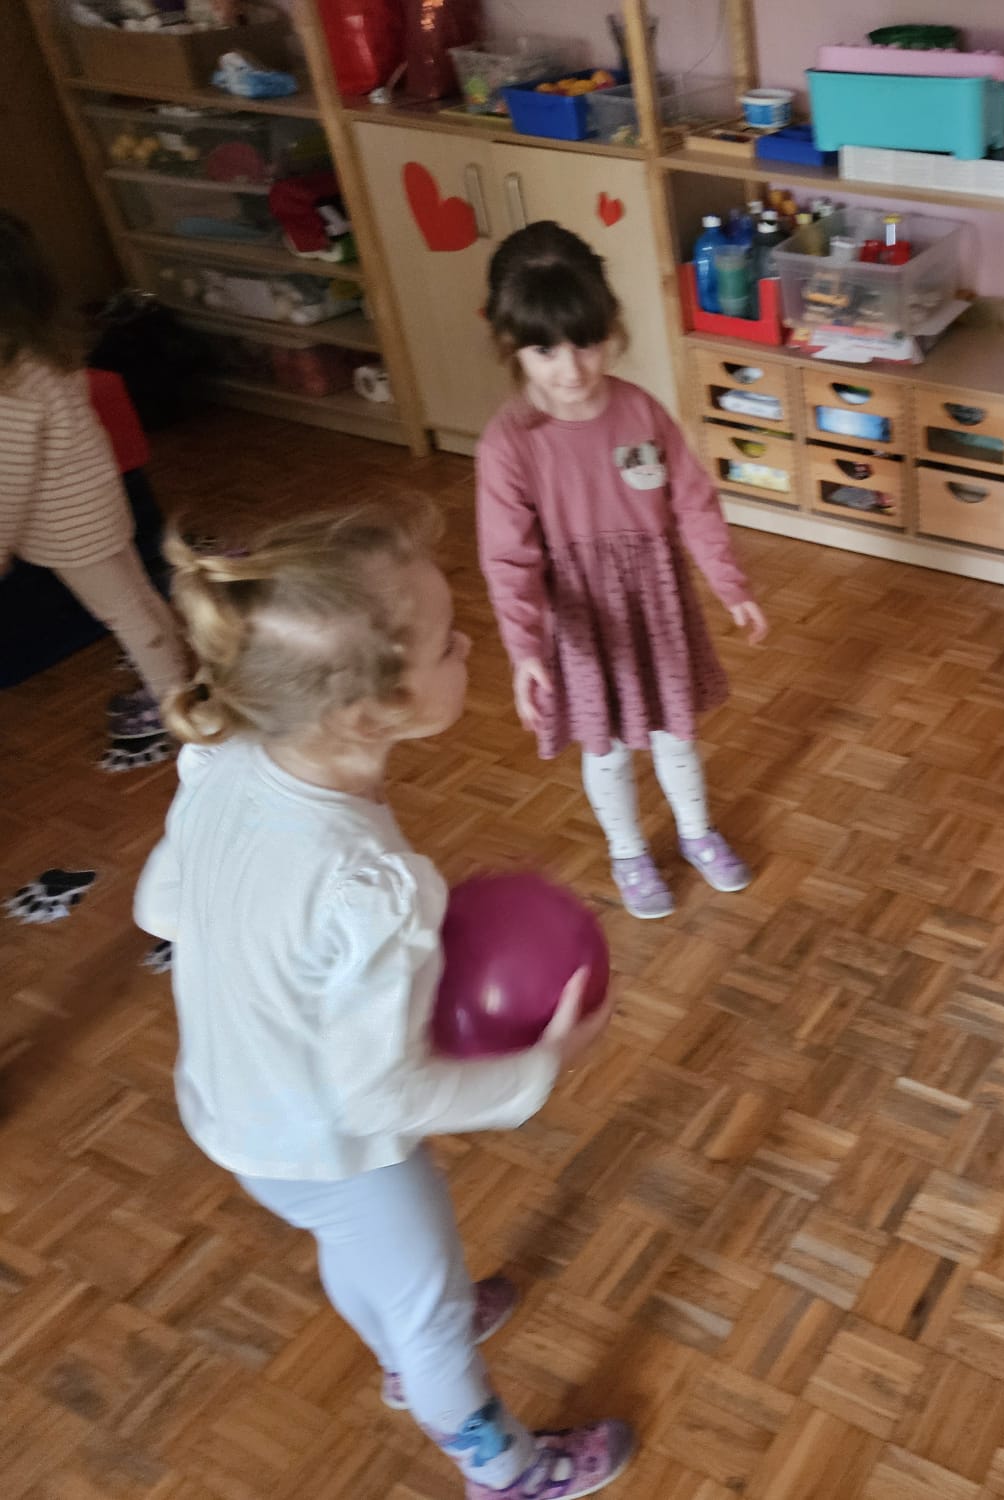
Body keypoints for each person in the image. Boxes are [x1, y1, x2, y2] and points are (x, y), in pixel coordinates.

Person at [134, 504, 631, 1499]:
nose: (469, 646)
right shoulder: (374, 888)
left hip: (232, 1111)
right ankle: (502, 1466)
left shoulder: (223, 759)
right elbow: (377, 1097)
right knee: (430, 1312)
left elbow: (161, 907)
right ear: (370, 713)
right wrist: (540, 1066)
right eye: (447, 643)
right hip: (335, 1141)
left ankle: (407, 1336)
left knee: (354, 1245)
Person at [476, 222, 768, 919]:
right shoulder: (508, 444)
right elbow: (509, 559)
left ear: (611, 325)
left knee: (676, 731)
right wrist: (525, 651)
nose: (571, 369)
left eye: (586, 342)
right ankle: (628, 851)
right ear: (510, 341)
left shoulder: (641, 412)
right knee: (604, 746)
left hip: (655, 604)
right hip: (581, 621)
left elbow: (693, 501)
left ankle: (696, 833)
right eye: (545, 349)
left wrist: (729, 584)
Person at [0, 208, 184, 739]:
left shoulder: (12, 388)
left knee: (122, 611)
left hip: (69, 527)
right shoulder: (45, 351)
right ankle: (174, 666)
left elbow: (8, 482)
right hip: (97, 500)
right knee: (137, 595)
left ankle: (173, 700)